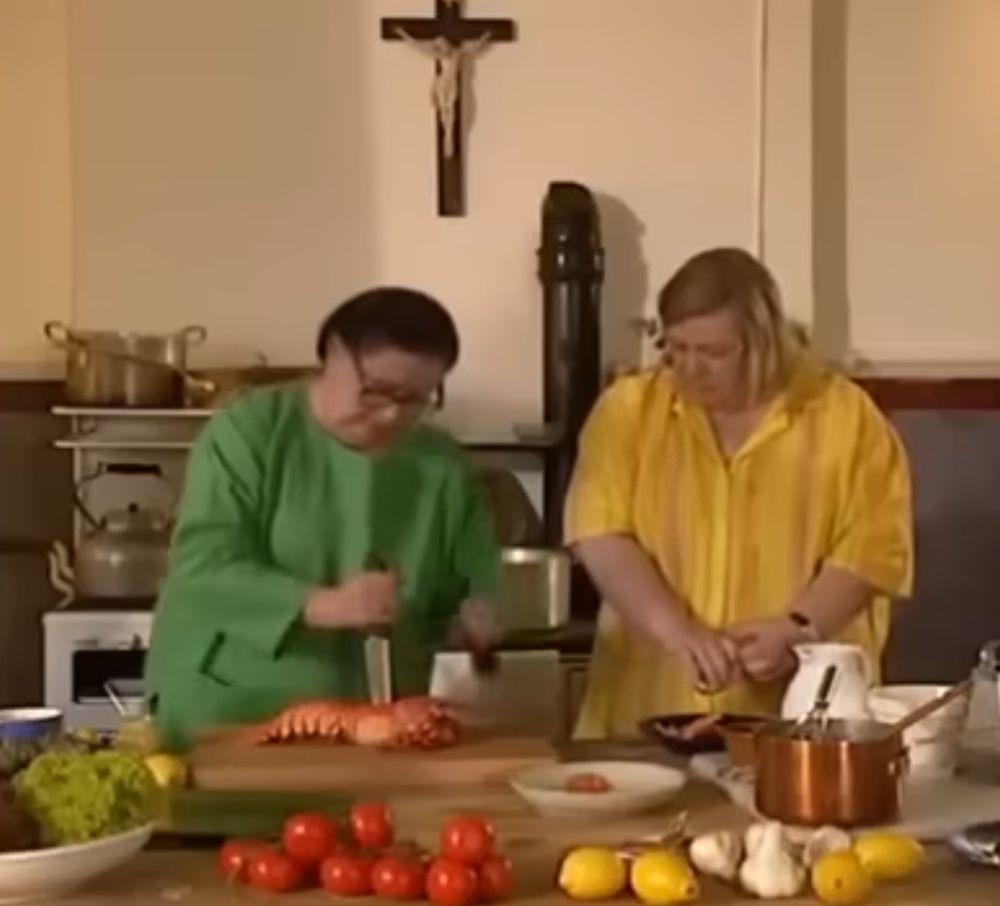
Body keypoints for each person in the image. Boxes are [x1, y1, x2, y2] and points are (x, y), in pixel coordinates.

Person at [565, 248, 913, 738]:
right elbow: (600, 534)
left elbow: (871, 553)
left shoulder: (848, 419)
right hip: (645, 711)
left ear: (765, 343)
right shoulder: (628, 411)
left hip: (801, 723)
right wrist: (678, 631)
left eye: (711, 353)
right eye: (677, 348)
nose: (689, 368)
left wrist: (799, 629)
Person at [144, 287, 502, 751]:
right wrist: (329, 605)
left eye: (415, 400)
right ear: (333, 353)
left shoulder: (443, 465)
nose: (393, 414)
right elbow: (202, 566)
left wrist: (482, 612)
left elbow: (478, 573)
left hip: (378, 724)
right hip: (232, 709)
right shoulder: (249, 432)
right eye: (376, 392)